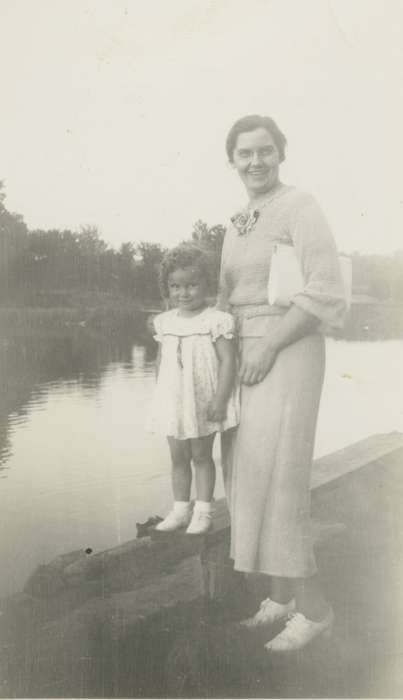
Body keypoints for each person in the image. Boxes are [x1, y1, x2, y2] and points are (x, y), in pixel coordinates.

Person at [218, 115, 347, 651]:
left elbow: (326, 292)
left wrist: (269, 345)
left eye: (265, 151)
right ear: (233, 161)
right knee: (246, 477)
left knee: (281, 480)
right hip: (244, 352)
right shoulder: (237, 219)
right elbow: (228, 297)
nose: (255, 162)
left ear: (281, 153)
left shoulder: (301, 206)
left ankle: (316, 611)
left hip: (288, 348)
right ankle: (281, 598)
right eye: (245, 153)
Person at [147, 243, 239, 535]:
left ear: (206, 284)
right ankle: (180, 510)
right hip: (173, 402)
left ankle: (203, 511)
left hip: (202, 401)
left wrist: (220, 399)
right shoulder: (164, 322)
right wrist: (161, 400)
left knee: (201, 457)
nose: (183, 293)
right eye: (175, 286)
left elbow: (228, 361)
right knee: (177, 458)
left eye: (191, 285)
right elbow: (161, 362)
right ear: (167, 288)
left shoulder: (216, 321)